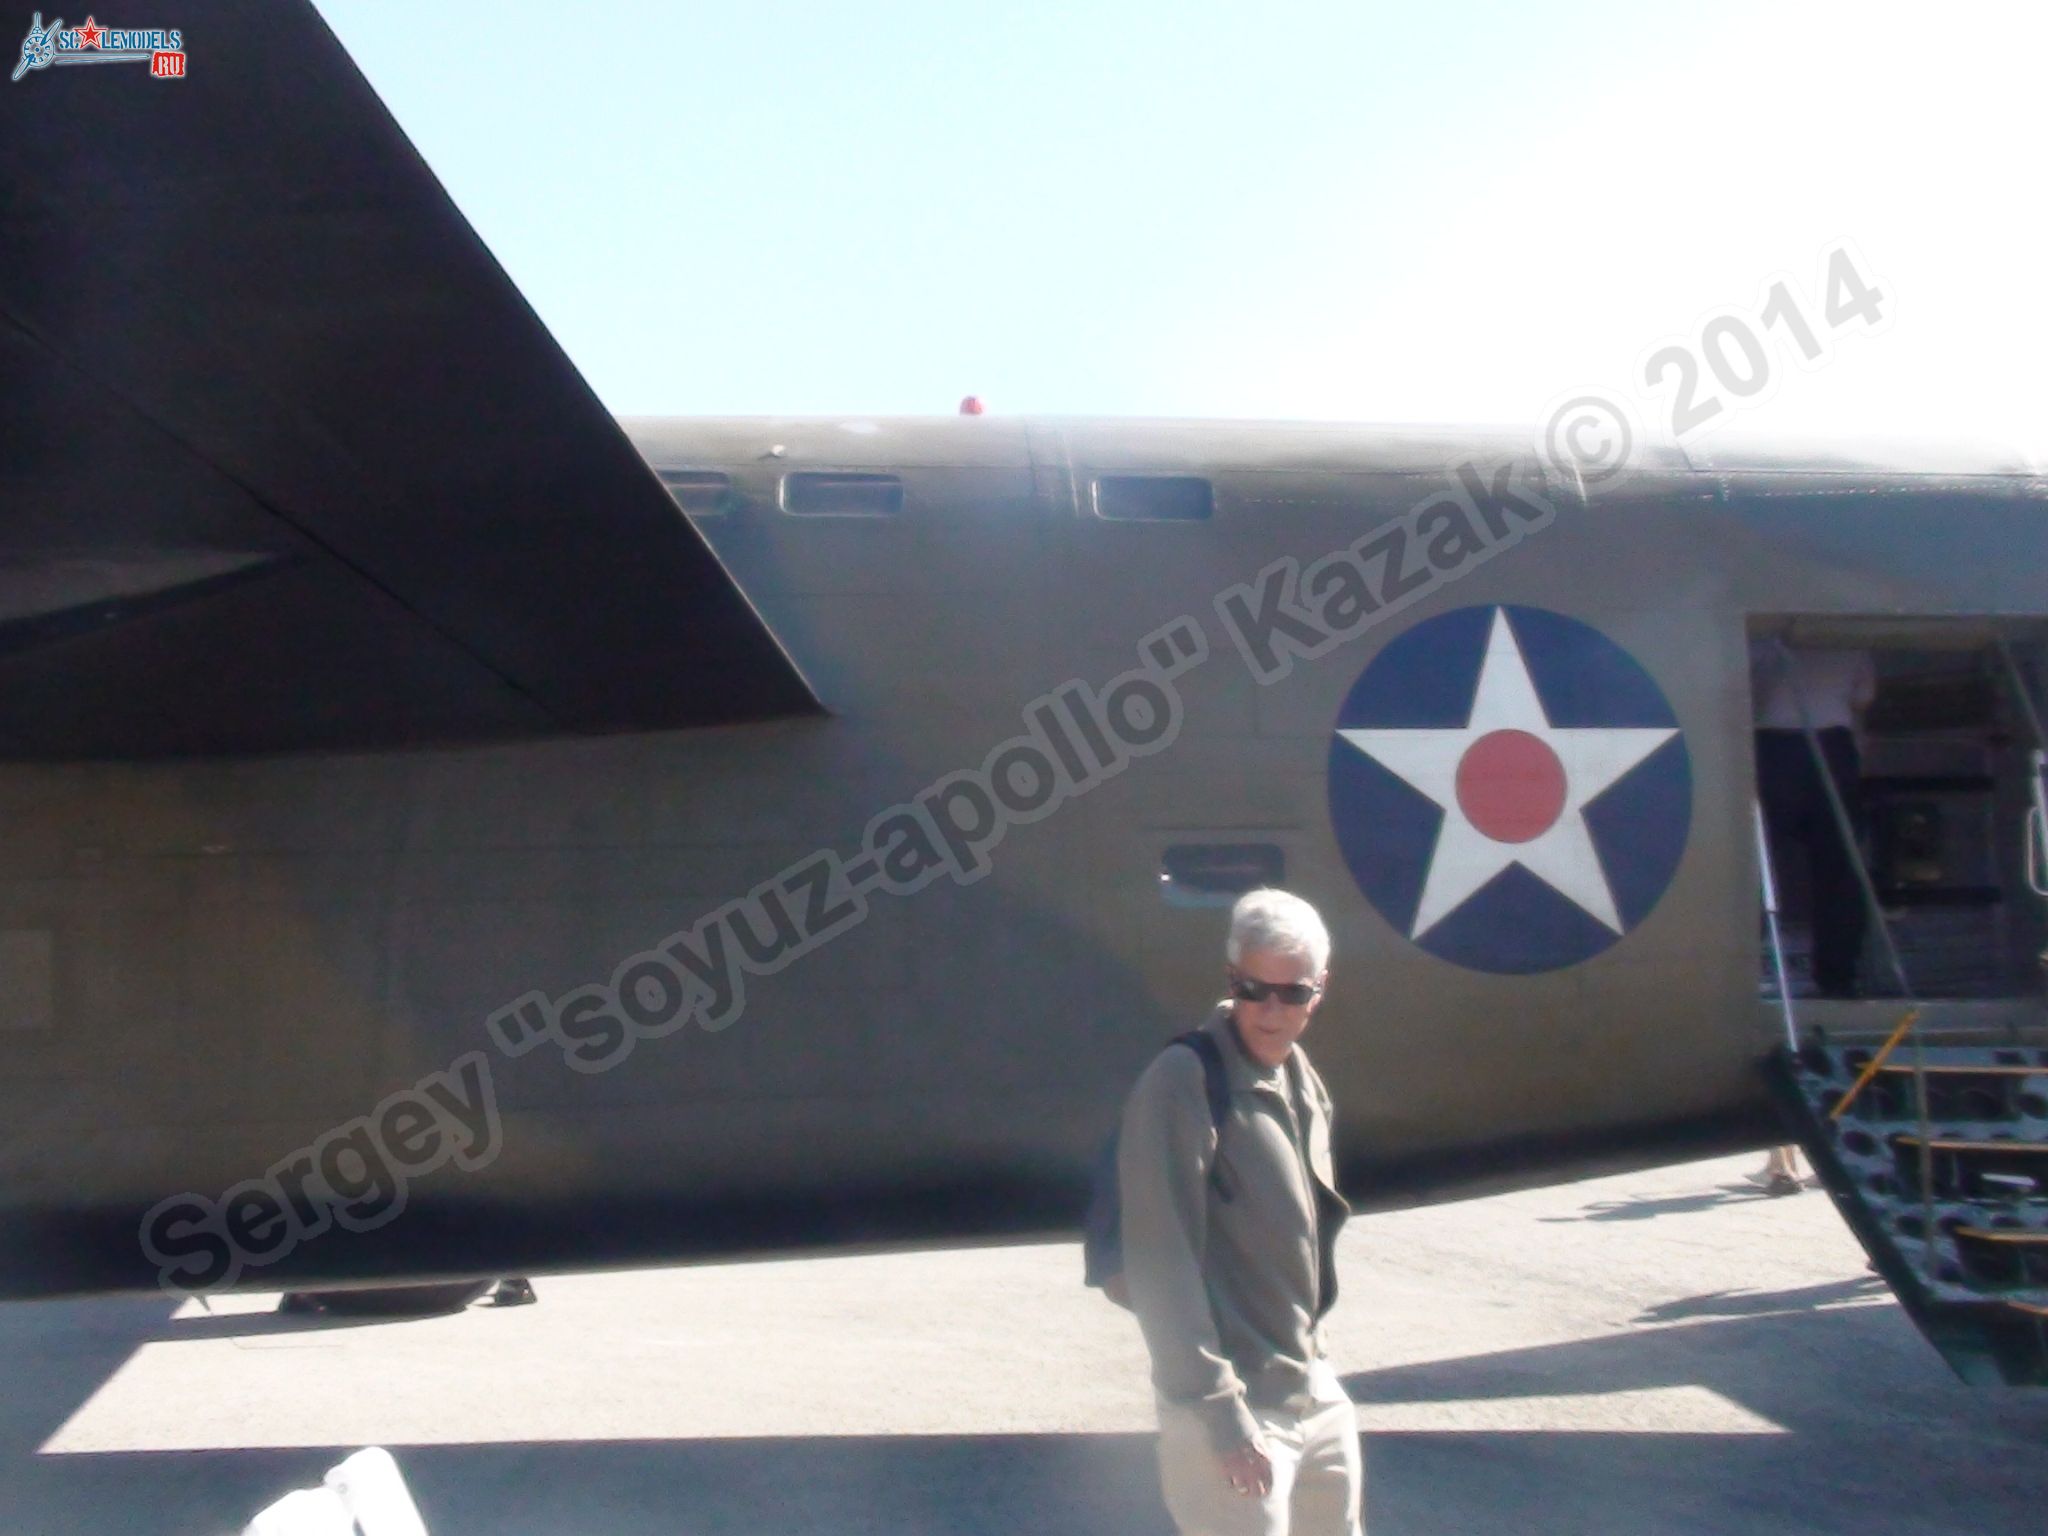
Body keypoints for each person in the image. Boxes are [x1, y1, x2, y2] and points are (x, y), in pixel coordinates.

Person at [1117, 889, 1359, 1536]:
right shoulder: (1183, 1083)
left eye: (1293, 993)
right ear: (1232, 980)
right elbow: (1158, 1267)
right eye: (1256, 990)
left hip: (1312, 1393)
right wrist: (1219, 1415)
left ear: (1320, 990)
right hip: (1234, 1413)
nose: (1272, 1011)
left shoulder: (1301, 1079)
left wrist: (1321, 1379)